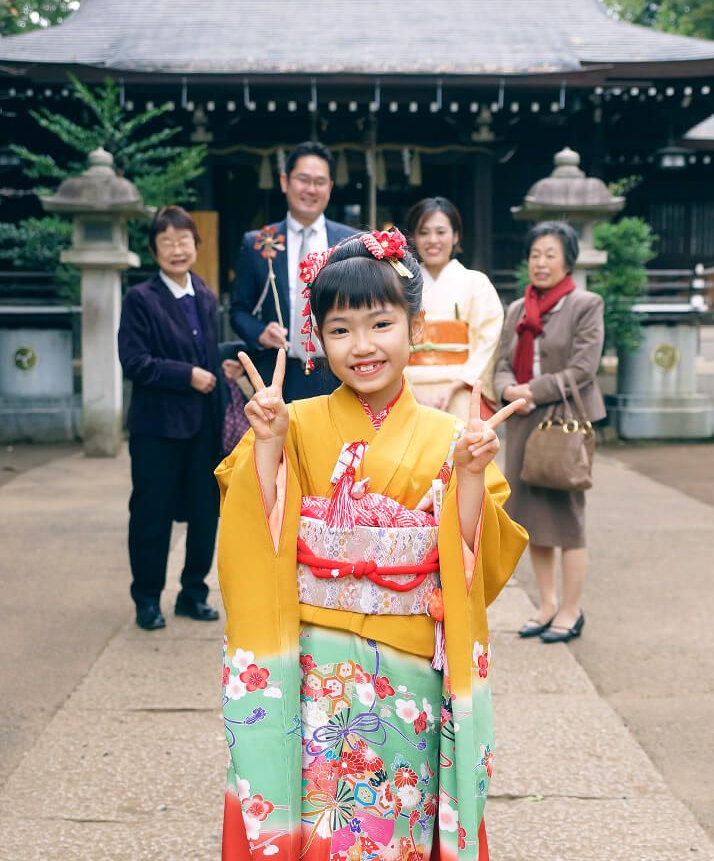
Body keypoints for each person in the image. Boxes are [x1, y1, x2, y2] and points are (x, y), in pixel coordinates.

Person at [216, 229, 529, 860]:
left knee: (396, 829)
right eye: (339, 329)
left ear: (415, 328)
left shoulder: (450, 435)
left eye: (380, 323)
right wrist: (271, 444)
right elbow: (254, 536)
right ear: (317, 339)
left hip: (410, 674)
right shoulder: (293, 422)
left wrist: (470, 475)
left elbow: (475, 565)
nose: (361, 346)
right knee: (317, 826)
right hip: (312, 668)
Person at [493, 221, 605, 644]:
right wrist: (506, 388)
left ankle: (572, 610)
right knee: (532, 521)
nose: (540, 262)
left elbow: (584, 368)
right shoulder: (517, 310)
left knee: (567, 520)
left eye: (550, 254)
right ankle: (545, 604)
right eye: (535, 254)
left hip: (562, 420)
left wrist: (530, 390)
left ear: (568, 260)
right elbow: (503, 361)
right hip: (522, 418)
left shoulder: (586, 304)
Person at [118, 206, 221, 632]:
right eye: (167, 242)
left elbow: (209, 356)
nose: (177, 250)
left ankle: (192, 593)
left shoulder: (206, 296)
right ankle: (147, 598)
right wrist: (188, 375)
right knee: (151, 514)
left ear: (195, 245)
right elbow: (135, 362)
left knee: (205, 512)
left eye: (184, 241)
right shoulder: (140, 299)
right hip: (157, 427)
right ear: (153, 250)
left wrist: (223, 366)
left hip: (204, 425)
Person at [230, 140, 356, 402]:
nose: (311, 189)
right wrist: (260, 333)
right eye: (303, 179)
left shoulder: (351, 242)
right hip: (278, 374)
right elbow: (239, 311)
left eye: (320, 182)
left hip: (338, 372)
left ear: (330, 187)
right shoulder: (257, 242)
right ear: (285, 182)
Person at [406, 197, 504, 422]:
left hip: (461, 388)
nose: (433, 240)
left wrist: (457, 384)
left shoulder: (476, 283)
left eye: (441, 232)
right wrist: (404, 385)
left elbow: (488, 339)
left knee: (462, 453)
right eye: (424, 232)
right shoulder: (401, 285)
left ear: (456, 236)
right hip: (410, 388)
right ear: (414, 237)